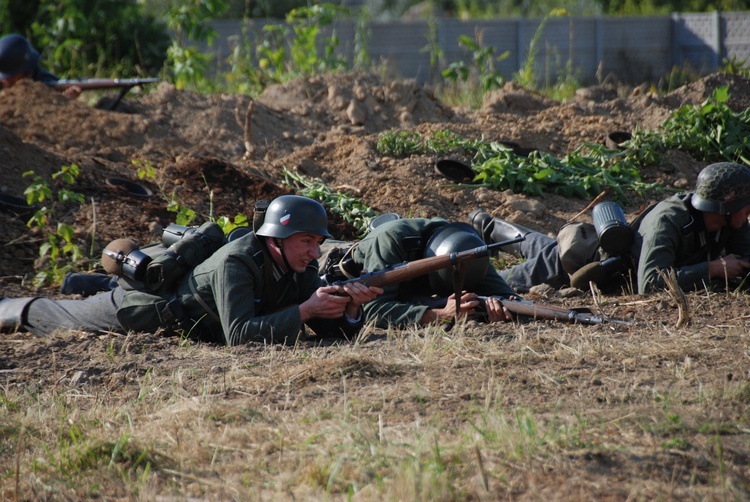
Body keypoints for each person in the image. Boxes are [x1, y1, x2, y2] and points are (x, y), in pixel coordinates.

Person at [0, 195, 383, 345]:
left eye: (318, 242)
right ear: (276, 239)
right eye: (307, 241)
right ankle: (12, 306)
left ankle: (91, 281)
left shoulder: (299, 265)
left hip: (195, 309)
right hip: (146, 307)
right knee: (61, 317)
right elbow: (239, 336)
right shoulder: (237, 261)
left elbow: (329, 331)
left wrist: (349, 309)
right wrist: (305, 310)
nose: (316, 251)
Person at [470, 162, 750, 295]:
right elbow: (650, 283)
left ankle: (489, 225)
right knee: (489, 281)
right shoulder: (670, 221)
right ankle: (476, 235)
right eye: (746, 206)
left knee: (539, 244)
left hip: (577, 245)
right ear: (725, 206)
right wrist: (712, 269)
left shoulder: (729, 223)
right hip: (576, 263)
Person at [327, 217, 518, 328]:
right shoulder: (391, 240)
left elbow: (509, 298)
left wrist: (496, 310)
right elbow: (372, 309)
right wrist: (437, 315)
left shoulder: (466, 247)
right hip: (325, 260)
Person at [0, 34, 81, 98]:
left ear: (24, 72)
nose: (4, 80)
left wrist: (64, 100)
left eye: (8, 77)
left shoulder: (45, 81)